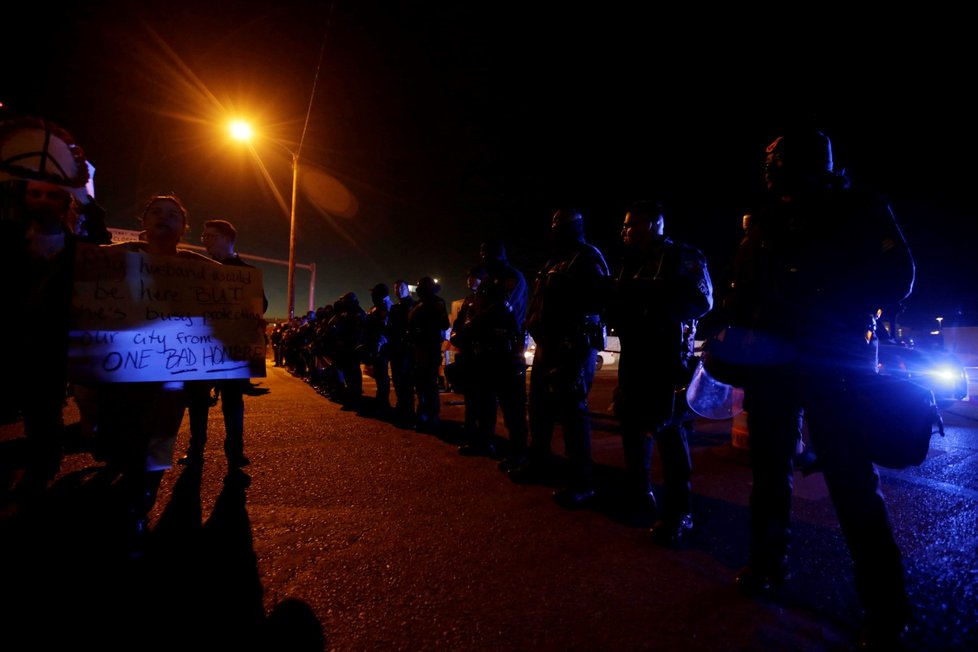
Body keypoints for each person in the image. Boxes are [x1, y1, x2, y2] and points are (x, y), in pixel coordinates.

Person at [719, 127, 916, 649]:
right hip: (774, 365)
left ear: (798, 161)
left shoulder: (857, 208)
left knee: (851, 483)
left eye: (775, 160)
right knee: (768, 475)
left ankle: (886, 606)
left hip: (835, 364)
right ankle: (767, 564)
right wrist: (725, 331)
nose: (767, 169)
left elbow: (899, 275)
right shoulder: (765, 219)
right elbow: (744, 288)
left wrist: (827, 306)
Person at [94, 195, 218, 548]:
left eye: (173, 214)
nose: (165, 219)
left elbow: (239, 301)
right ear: (143, 220)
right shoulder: (117, 256)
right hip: (119, 373)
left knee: (158, 446)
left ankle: (137, 510)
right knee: (118, 442)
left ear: (184, 227)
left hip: (170, 378)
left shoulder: (198, 266)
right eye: (156, 212)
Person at [607, 200, 713, 540]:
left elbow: (701, 300)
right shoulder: (630, 262)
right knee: (630, 424)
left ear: (652, 224)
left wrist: (653, 302)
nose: (624, 231)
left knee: (669, 432)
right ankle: (639, 494)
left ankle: (679, 512)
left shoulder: (681, 255)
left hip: (667, 357)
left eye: (631, 225)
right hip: (635, 355)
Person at [516, 208, 610, 508]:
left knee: (572, 414)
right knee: (541, 409)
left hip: (572, 346)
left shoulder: (587, 258)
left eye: (562, 226)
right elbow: (540, 302)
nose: (556, 231)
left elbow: (598, 302)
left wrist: (573, 339)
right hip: (547, 345)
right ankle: (540, 463)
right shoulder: (555, 260)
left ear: (576, 228)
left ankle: (582, 481)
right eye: (555, 225)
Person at [179, 219, 268, 471]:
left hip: (231, 347)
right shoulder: (196, 269)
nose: (205, 241)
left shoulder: (245, 272)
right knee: (197, 400)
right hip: (200, 346)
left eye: (211, 236)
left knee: (232, 401)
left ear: (228, 239)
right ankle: (195, 450)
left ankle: (235, 453)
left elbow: (261, 305)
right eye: (204, 237)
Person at [457, 241, 530, 462]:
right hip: (486, 352)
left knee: (512, 408)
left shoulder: (512, 277)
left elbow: (501, 309)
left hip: (506, 351)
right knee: (484, 403)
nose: (483, 257)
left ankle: (518, 453)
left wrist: (471, 327)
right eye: (481, 253)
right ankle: (484, 442)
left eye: (486, 253)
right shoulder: (487, 281)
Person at [448, 265, 487, 442]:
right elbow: (457, 323)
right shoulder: (468, 300)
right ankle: (470, 431)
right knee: (470, 396)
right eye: (469, 277)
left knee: (484, 398)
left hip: (482, 355)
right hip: (467, 353)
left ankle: (485, 436)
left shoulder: (487, 298)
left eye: (474, 277)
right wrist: (456, 335)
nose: (470, 280)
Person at [408, 276, 450, 434]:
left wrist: (425, 327)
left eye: (421, 286)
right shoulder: (418, 304)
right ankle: (423, 414)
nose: (418, 289)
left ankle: (433, 417)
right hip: (417, 348)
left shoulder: (437, 302)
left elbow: (443, 323)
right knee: (420, 384)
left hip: (430, 348)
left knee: (429, 385)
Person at [388, 279, 417, 427]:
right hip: (396, 349)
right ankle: (401, 407)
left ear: (407, 289)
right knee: (398, 380)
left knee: (406, 381)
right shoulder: (395, 307)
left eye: (401, 287)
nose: (399, 290)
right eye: (396, 288)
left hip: (406, 349)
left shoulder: (412, 305)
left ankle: (409, 411)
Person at [361, 283, 394, 417]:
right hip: (375, 345)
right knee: (379, 375)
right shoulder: (378, 306)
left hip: (381, 346)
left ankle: (383, 403)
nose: (372, 296)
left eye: (374, 293)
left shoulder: (386, 306)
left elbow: (384, 328)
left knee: (382, 375)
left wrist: (378, 345)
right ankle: (380, 401)